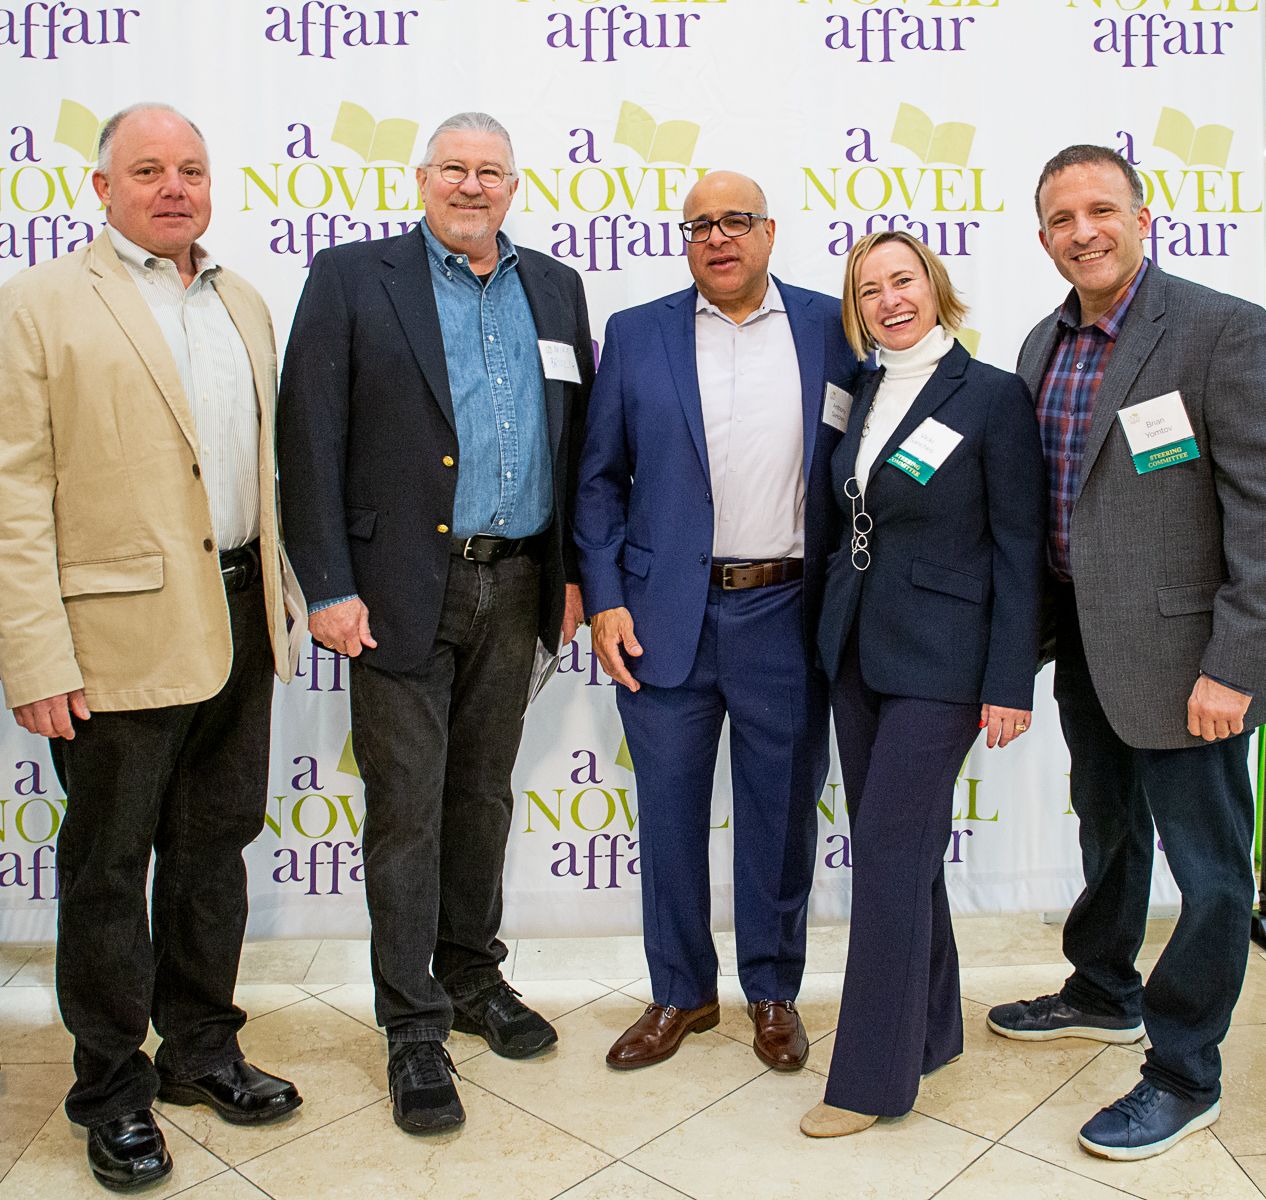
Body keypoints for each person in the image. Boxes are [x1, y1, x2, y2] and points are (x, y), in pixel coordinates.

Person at [0, 103, 304, 1191]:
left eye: (191, 169)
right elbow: (13, 493)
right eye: (147, 170)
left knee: (214, 852)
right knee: (107, 869)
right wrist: (34, 658)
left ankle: (202, 1051)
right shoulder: (39, 304)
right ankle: (110, 1090)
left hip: (237, 619)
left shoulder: (245, 303)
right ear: (101, 187)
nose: (173, 188)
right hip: (111, 638)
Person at [277, 111, 593, 1134]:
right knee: (406, 813)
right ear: (422, 179)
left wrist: (575, 576)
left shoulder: (556, 289)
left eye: (490, 171)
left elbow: (577, 441)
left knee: (482, 800)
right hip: (396, 590)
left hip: (518, 586)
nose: (471, 185)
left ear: (515, 185)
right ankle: (412, 1024)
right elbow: (309, 436)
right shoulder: (351, 277)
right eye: (454, 169)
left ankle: (470, 977)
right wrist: (327, 584)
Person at [987, 145, 1266, 1161]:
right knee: (1109, 834)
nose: (1083, 231)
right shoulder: (1039, 343)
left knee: (1212, 874)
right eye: (1061, 218)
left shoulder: (1220, 332)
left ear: (1144, 217)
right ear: (1044, 237)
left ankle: (1185, 1071)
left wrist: (1235, 664)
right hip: (1087, 650)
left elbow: (1261, 516)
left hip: (1193, 663)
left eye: (1101, 208)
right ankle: (1104, 988)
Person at [576, 171, 864, 1072]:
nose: (717, 237)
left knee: (779, 815)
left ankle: (773, 991)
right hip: (666, 615)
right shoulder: (635, 334)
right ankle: (679, 993)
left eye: (736, 220)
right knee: (665, 813)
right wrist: (607, 597)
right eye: (698, 224)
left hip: (788, 609)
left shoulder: (833, 327)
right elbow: (597, 481)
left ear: (770, 232)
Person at [798, 230, 1046, 1137]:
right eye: (869, 290)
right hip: (858, 652)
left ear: (935, 286)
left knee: (890, 860)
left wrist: (1010, 679)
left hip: (946, 662)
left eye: (903, 281)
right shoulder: (861, 392)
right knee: (900, 855)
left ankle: (870, 1080)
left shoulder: (991, 397)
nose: (889, 300)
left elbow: (1021, 549)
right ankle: (933, 1030)